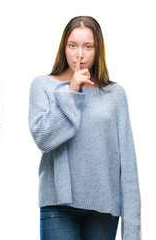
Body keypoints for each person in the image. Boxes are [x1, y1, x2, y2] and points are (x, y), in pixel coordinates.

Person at [28, 16, 141, 240]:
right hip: (58, 205)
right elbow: (44, 139)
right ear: (64, 47)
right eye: (73, 46)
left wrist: (133, 233)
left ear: (97, 50)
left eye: (88, 47)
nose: (79, 54)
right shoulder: (44, 85)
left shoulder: (114, 94)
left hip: (104, 208)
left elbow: (127, 165)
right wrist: (72, 91)